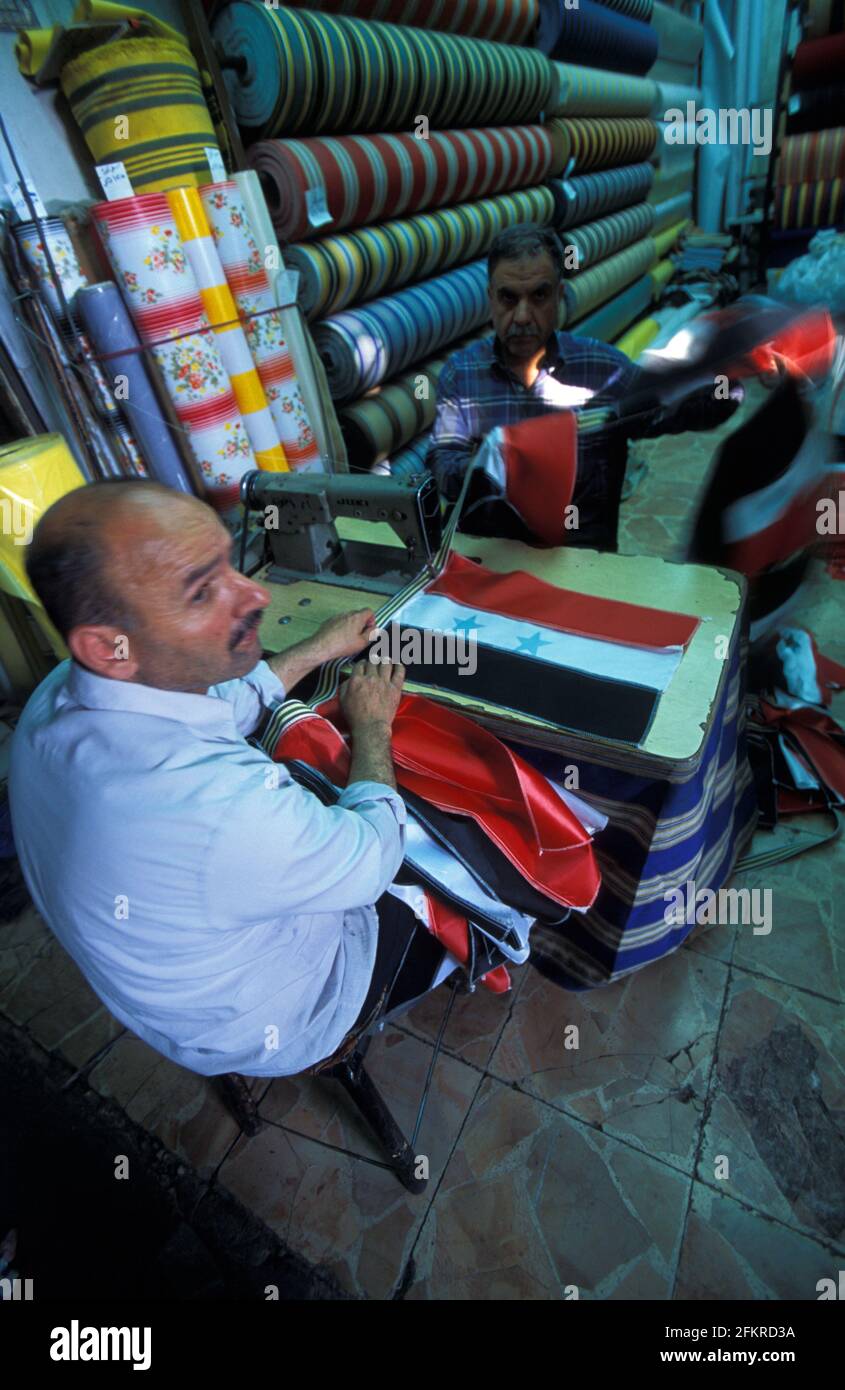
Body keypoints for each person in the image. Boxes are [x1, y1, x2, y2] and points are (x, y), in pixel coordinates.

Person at [9, 480, 445, 1079]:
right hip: (282, 1019)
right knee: (445, 845)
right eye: (200, 593)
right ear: (108, 648)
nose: (255, 594)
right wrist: (372, 727)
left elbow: (212, 703)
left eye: (227, 564)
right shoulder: (210, 809)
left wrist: (314, 652)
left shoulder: (60, 694)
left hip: (168, 999)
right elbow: (371, 861)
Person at [428, 224, 743, 550]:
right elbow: (443, 460)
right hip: (492, 561)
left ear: (560, 296)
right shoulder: (462, 374)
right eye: (509, 298)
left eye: (539, 295)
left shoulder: (605, 372)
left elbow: (695, 404)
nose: (522, 316)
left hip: (579, 564)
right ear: (491, 298)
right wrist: (488, 467)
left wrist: (725, 377)